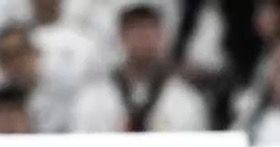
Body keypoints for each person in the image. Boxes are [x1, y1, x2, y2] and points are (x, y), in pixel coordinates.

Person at [69, 3, 206, 133]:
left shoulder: (186, 101)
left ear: (162, 36)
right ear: (121, 36)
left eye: (149, 28)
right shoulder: (95, 100)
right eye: (134, 29)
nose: (143, 36)